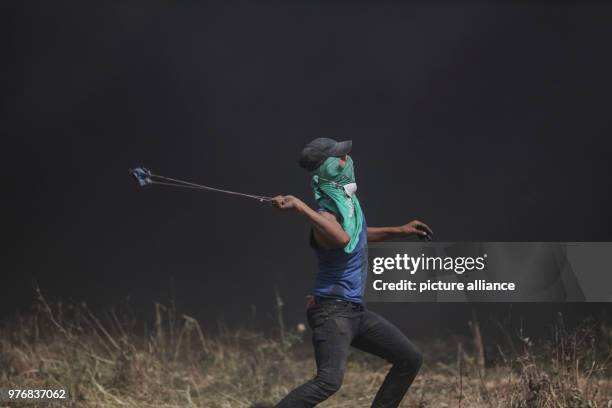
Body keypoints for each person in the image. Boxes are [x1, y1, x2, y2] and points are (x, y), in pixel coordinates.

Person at [268, 138, 433, 408]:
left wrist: (400, 230)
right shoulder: (325, 216)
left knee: (410, 359)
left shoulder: (345, 206)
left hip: (353, 311)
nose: (348, 161)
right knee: (329, 381)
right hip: (332, 311)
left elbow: (356, 236)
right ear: (328, 168)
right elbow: (342, 239)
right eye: (341, 158)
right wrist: (300, 207)